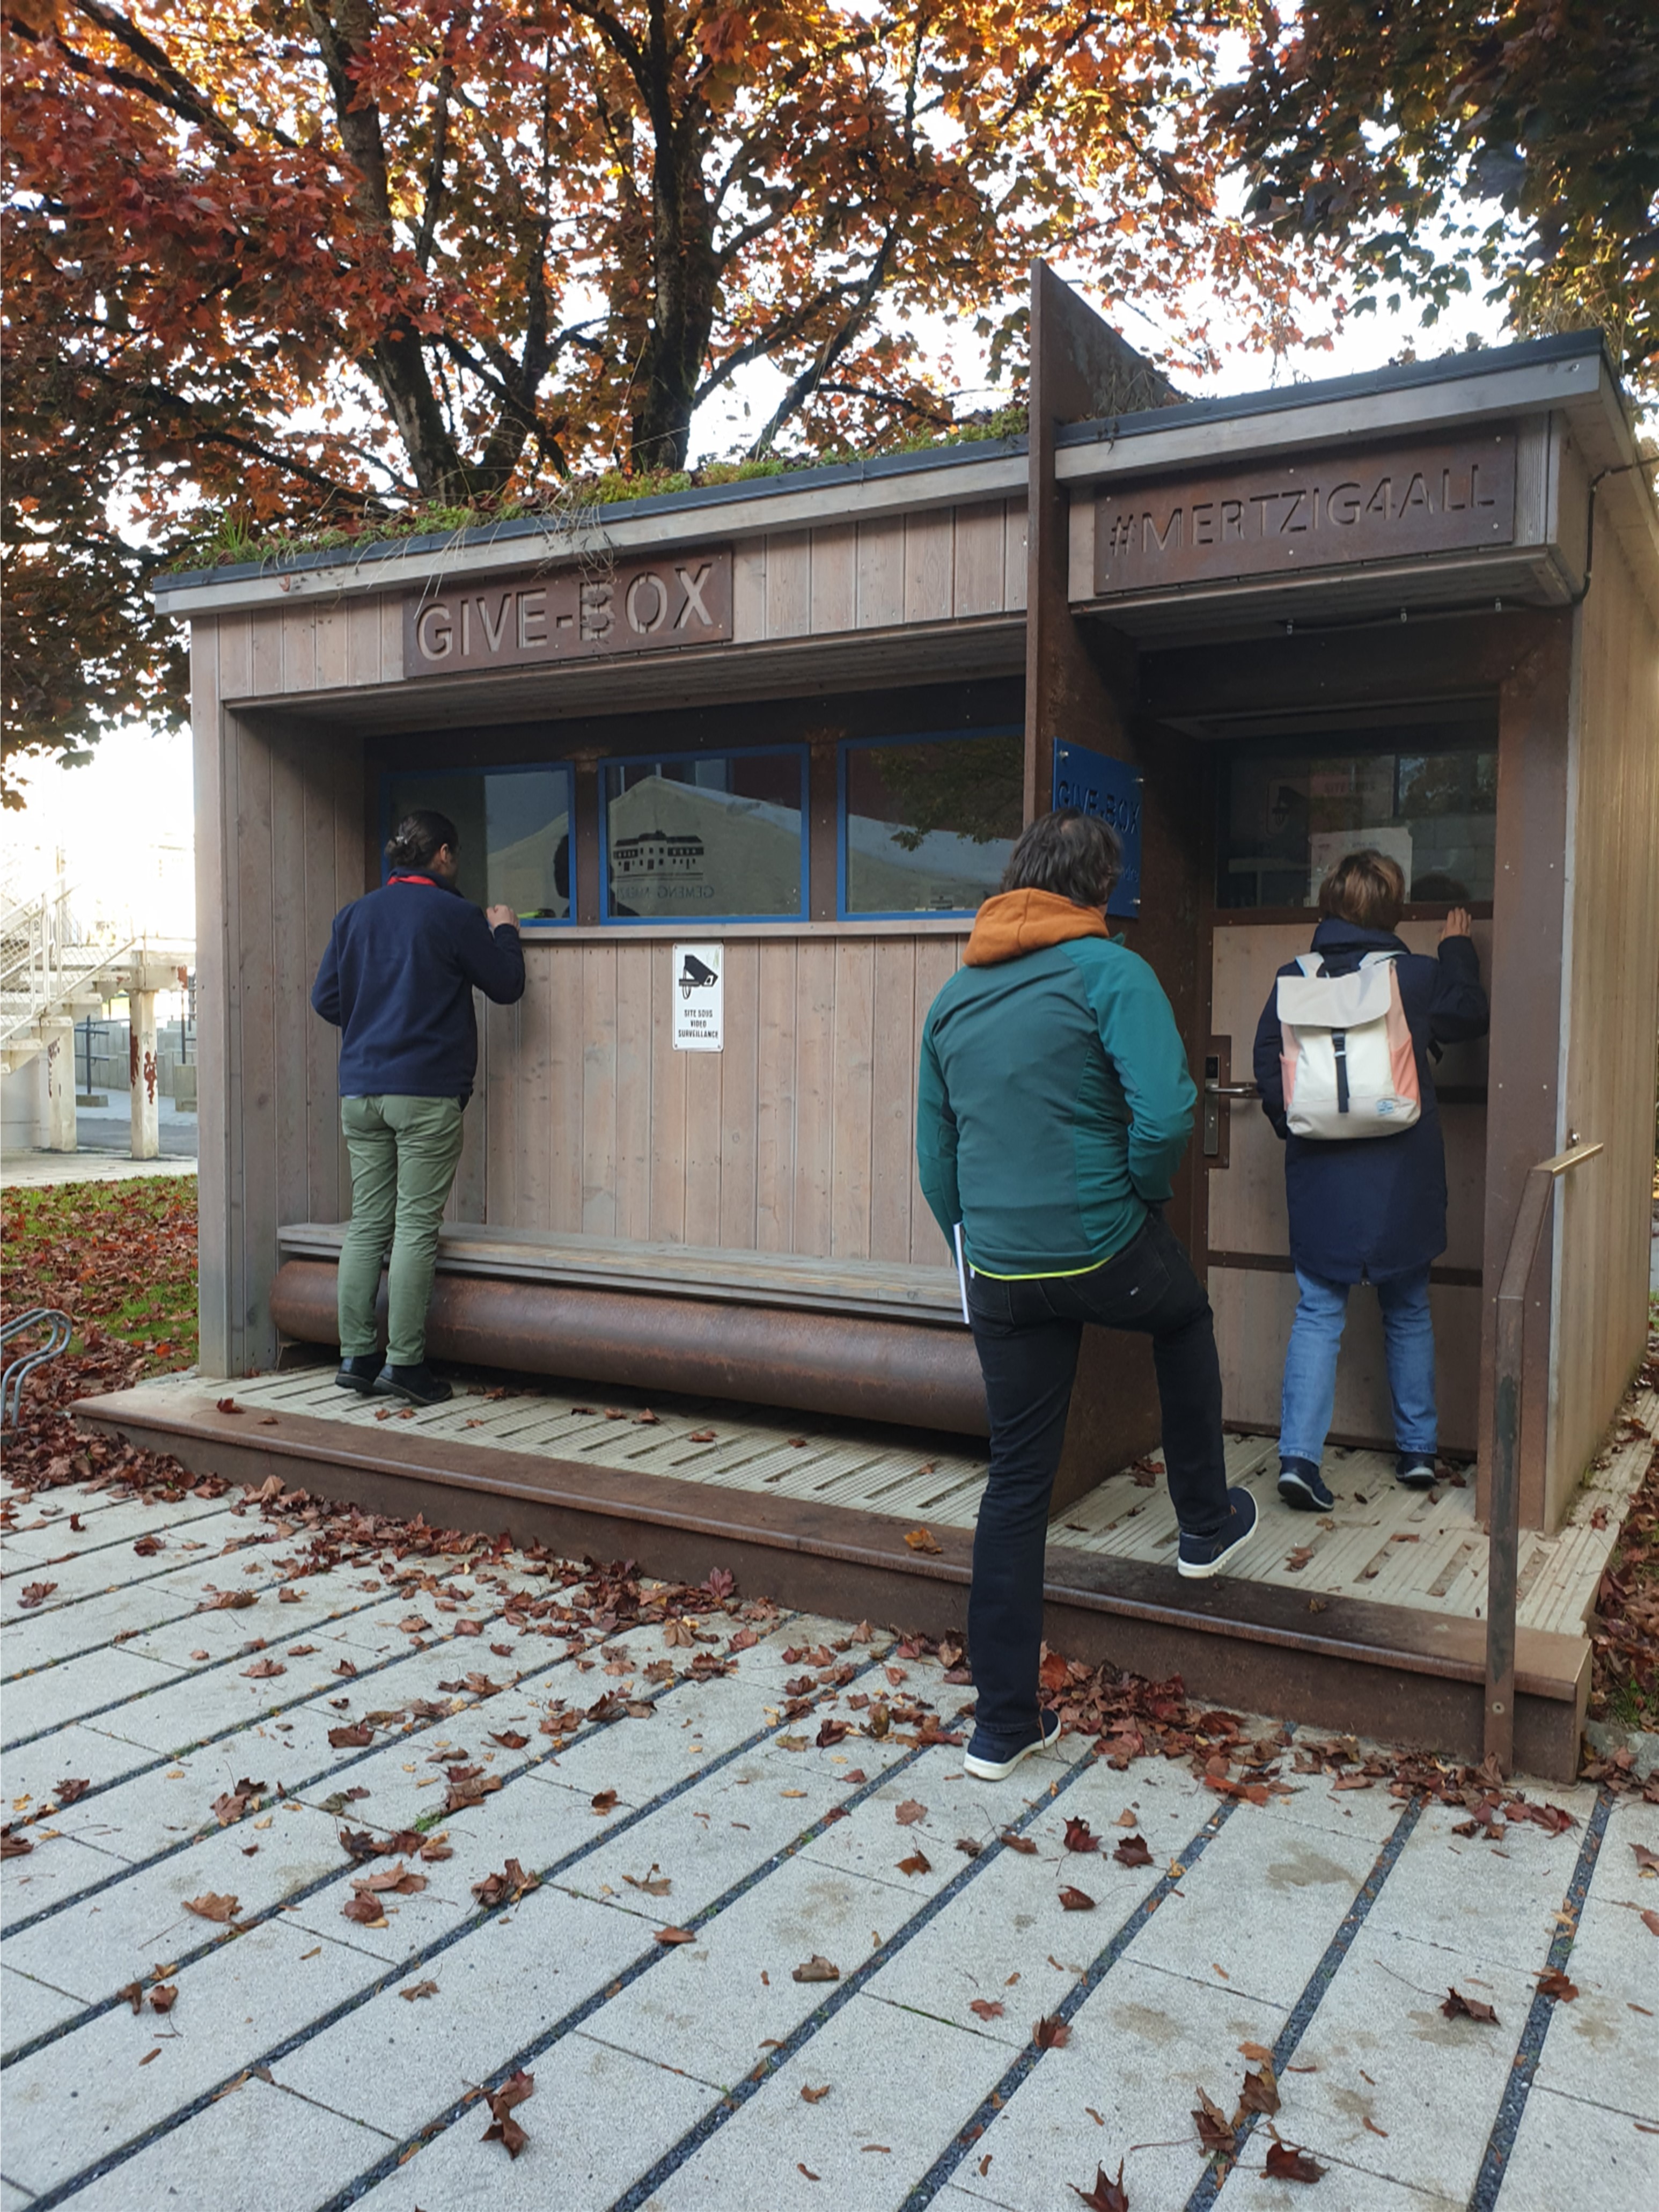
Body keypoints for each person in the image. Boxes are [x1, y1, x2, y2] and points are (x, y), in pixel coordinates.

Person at [917, 809, 1257, 1784]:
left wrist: (974, 1239)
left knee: (1016, 1483)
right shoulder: (1111, 971)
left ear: (1014, 880)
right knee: (1183, 1315)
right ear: (1098, 889)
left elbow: (935, 1159)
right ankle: (1203, 1522)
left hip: (998, 1266)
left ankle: (1000, 1724)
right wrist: (1139, 1198)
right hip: (1100, 1239)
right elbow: (1166, 1110)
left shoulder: (953, 996)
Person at [1253, 848, 1489, 1511]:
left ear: (1327, 905)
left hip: (1320, 1176)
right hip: (1401, 1174)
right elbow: (1468, 1012)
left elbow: (1267, 1062)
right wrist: (1456, 951)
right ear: (1395, 910)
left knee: (1318, 1311)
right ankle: (1417, 1453)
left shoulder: (1291, 977)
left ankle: (1298, 1458)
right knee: (1407, 1308)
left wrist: (1296, 1124)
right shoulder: (1412, 978)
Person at [311, 808, 526, 1405]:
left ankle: (356, 1356)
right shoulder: (455, 916)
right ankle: (405, 1366)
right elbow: (506, 986)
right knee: (412, 1227)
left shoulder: (353, 915)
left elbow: (326, 999)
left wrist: (374, 1015)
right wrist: (504, 930)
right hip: (426, 1093)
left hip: (361, 1091)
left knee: (367, 1225)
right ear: (445, 856)